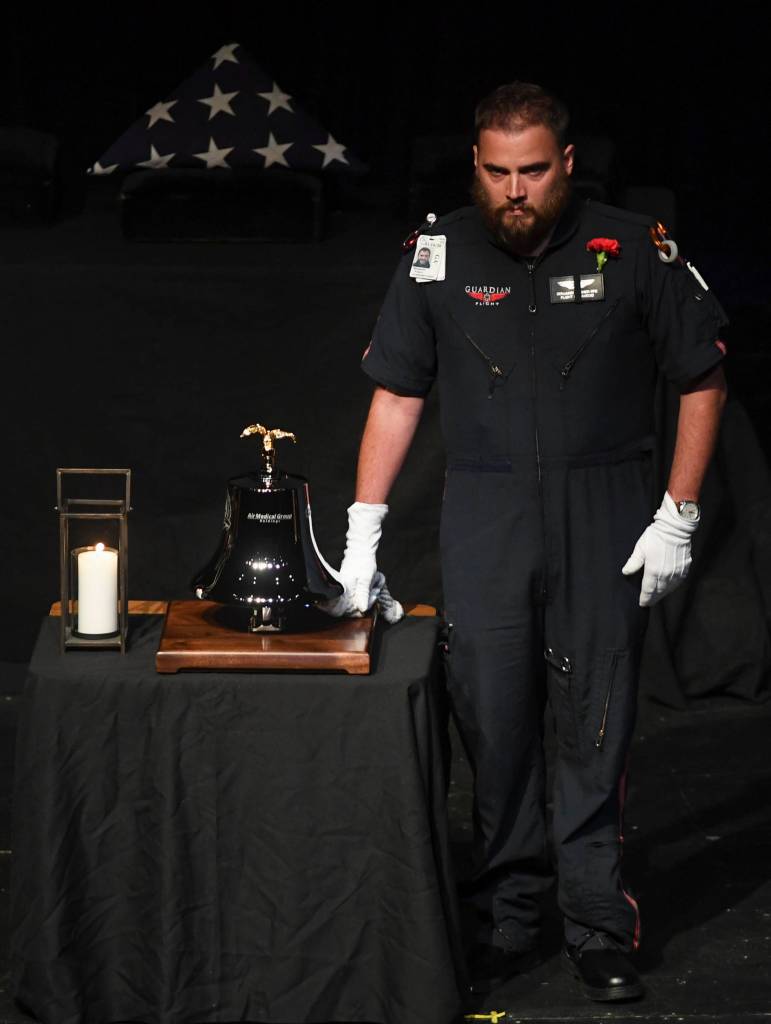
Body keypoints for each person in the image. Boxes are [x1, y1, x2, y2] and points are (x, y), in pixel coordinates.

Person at [324, 81, 728, 1003]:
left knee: (594, 718)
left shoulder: (631, 248)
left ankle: (593, 920)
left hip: (605, 510)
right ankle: (510, 914)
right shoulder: (436, 256)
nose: (515, 190)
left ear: (567, 164)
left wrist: (679, 511)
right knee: (493, 719)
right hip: (486, 513)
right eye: (498, 172)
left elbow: (700, 380)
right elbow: (396, 394)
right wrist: (363, 532)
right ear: (475, 166)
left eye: (533, 171)